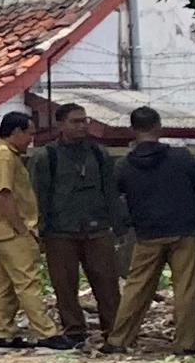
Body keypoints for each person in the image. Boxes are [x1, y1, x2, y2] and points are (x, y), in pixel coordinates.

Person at [111, 105, 195, 355]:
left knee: (136, 287)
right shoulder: (181, 157)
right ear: (158, 127)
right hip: (185, 229)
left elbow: (117, 196)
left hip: (147, 233)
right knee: (186, 288)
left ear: (132, 130)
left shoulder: (124, 165)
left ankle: (119, 339)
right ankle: (186, 343)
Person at [35, 111, 127, 347]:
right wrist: (41, 232)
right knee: (64, 285)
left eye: (84, 121)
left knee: (107, 283)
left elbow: (111, 192)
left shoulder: (98, 153)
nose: (82, 126)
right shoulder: (47, 156)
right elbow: (38, 196)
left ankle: (115, 332)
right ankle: (74, 332)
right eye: (75, 122)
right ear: (60, 125)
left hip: (97, 229)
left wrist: (118, 226)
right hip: (60, 231)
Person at [0, 112, 67, 349]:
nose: (31, 139)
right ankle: (46, 333)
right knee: (28, 281)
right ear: (15, 132)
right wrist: (21, 228)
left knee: (5, 283)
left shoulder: (0, 153)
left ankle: (4, 332)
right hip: (9, 230)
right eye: (29, 133)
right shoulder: (4, 156)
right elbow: (3, 193)